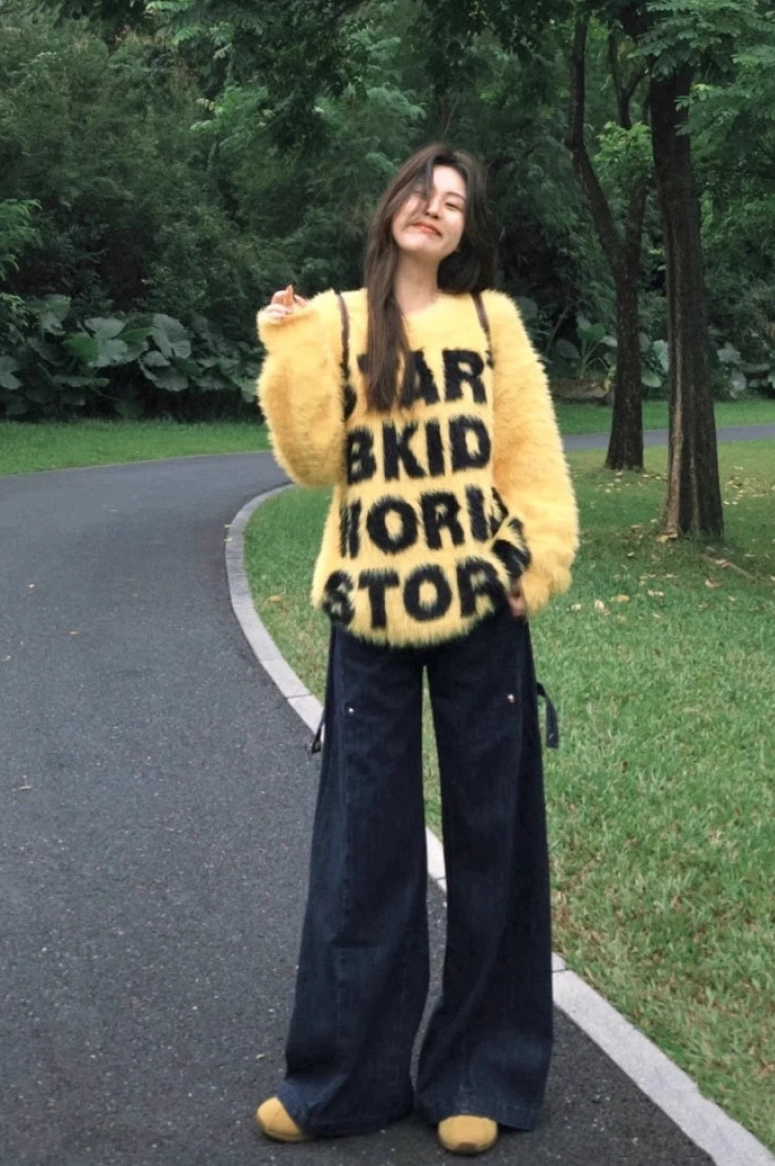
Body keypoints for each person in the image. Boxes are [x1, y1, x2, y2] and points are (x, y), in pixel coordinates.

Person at [253, 144, 578, 1156]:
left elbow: (531, 459)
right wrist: (287, 348)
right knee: (362, 849)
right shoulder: (340, 320)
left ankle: (480, 1072)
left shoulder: (491, 323)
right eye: (421, 194)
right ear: (392, 206)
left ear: (466, 230)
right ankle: (343, 1081)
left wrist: (533, 565)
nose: (433, 210)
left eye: (454, 203)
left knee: (495, 839)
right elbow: (312, 461)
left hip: (481, 609)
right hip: (369, 614)